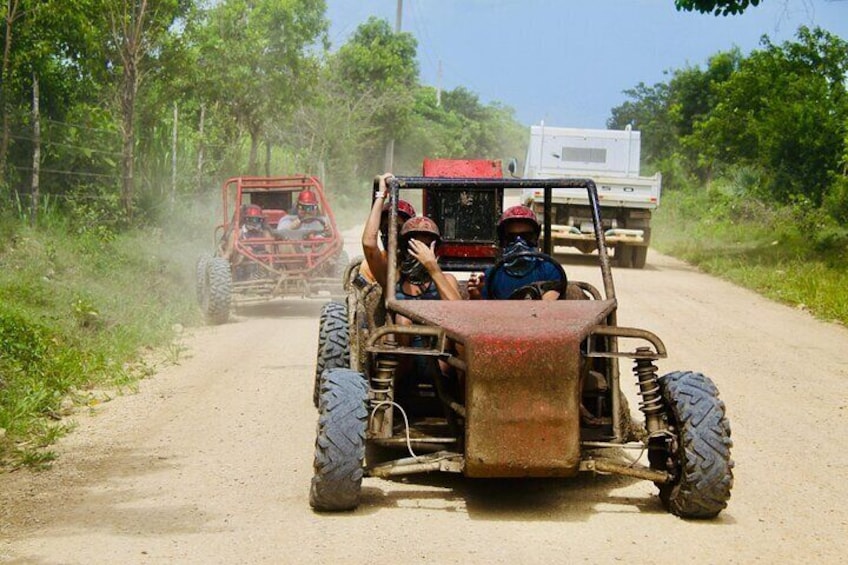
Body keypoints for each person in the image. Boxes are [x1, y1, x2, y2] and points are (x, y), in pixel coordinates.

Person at [467, 205, 566, 301]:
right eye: (511, 238)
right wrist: (476, 296)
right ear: (503, 240)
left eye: (526, 236)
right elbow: (483, 312)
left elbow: (549, 307)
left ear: (535, 237)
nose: (519, 243)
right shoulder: (492, 275)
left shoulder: (548, 270)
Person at [358, 194, 417, 284]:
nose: (392, 233)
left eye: (398, 227)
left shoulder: (421, 263)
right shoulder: (371, 266)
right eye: (386, 228)